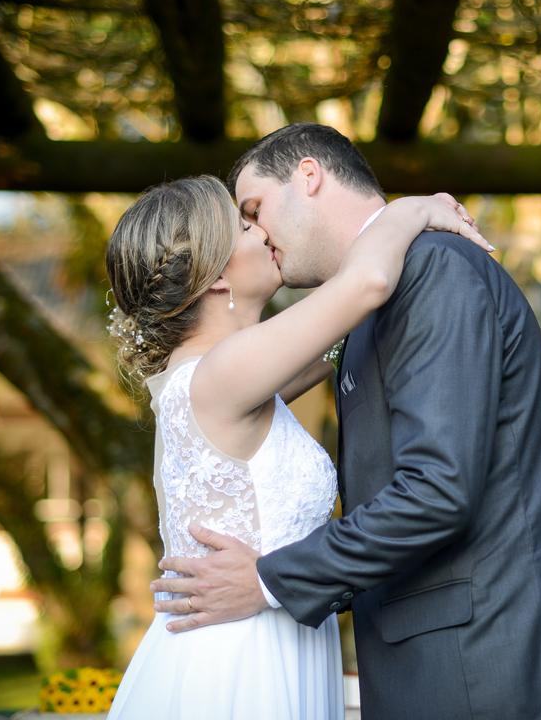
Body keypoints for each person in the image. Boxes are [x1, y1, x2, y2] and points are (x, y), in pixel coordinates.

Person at [151, 123, 541, 720]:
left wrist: (270, 582)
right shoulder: (358, 317)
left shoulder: (434, 270)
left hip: (496, 665)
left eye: (254, 210)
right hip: (423, 669)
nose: (258, 233)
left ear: (308, 176)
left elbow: (437, 488)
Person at [103, 173, 490, 719]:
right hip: (237, 665)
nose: (263, 231)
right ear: (214, 276)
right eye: (244, 224)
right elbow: (367, 284)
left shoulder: (222, 374)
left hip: (272, 642)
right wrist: (411, 211)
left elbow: (336, 336)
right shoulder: (222, 372)